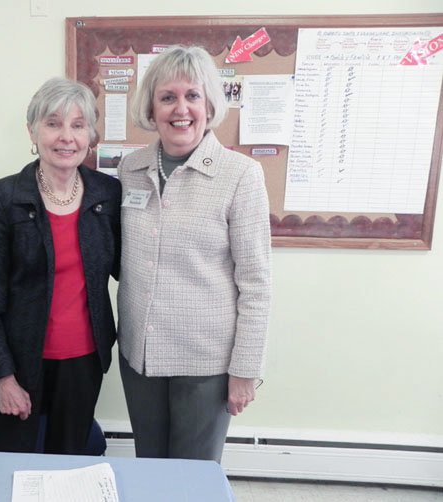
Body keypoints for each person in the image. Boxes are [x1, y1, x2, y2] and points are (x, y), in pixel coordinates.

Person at [117, 45, 271, 463]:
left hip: (206, 363)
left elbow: (256, 283)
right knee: (149, 463)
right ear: (151, 106)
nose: (180, 109)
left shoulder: (240, 176)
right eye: (167, 97)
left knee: (192, 475)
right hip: (139, 356)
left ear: (209, 105)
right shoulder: (130, 168)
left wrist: (245, 370)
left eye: (193, 96)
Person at [0, 77, 121, 454]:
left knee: (69, 464)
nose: (66, 137)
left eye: (78, 124)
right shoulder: (2, 197)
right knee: (13, 465)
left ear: (90, 135)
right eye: (53, 123)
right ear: (32, 132)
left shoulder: (107, 193)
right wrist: (3, 378)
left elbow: (130, 267)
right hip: (18, 362)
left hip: (84, 362)